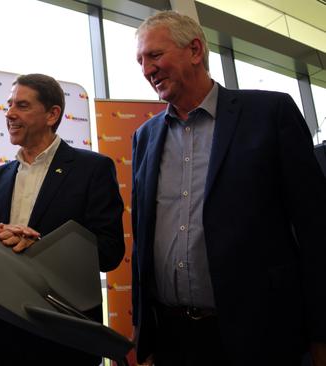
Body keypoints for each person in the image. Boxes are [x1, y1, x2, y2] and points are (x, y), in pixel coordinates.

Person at [131, 10, 326, 366]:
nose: (147, 70)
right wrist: (144, 334)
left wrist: (321, 334)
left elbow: (316, 231)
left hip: (260, 337)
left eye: (155, 55)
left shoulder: (270, 113)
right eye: (141, 61)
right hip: (174, 340)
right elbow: (143, 237)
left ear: (195, 50)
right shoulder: (145, 137)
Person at [0, 73, 125, 365]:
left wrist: (42, 245)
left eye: (22, 105)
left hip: (60, 338)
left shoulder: (92, 169)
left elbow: (110, 252)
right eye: (10, 104)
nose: (10, 113)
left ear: (52, 115)